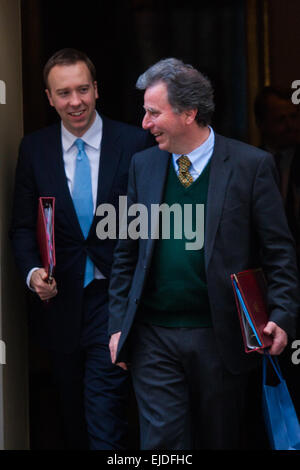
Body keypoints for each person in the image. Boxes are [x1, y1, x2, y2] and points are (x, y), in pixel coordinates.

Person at [108, 58, 300, 450]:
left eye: (153, 113)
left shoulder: (250, 165)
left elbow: (279, 252)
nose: (145, 123)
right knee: (162, 446)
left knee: (221, 439)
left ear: (189, 113)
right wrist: (117, 326)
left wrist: (282, 315)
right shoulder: (142, 166)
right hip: (153, 337)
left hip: (222, 337)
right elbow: (126, 254)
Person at [10, 48, 154, 450]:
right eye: (64, 93)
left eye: (83, 90)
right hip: (60, 302)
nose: (75, 102)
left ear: (97, 90)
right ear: (48, 97)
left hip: (115, 298)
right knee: (71, 410)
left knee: (104, 411)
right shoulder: (34, 149)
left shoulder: (136, 141)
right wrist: (31, 272)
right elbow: (22, 226)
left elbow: (153, 223)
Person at [254, 86, 300, 257]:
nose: (290, 126)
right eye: (280, 120)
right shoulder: (250, 165)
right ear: (261, 124)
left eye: (294, 117)